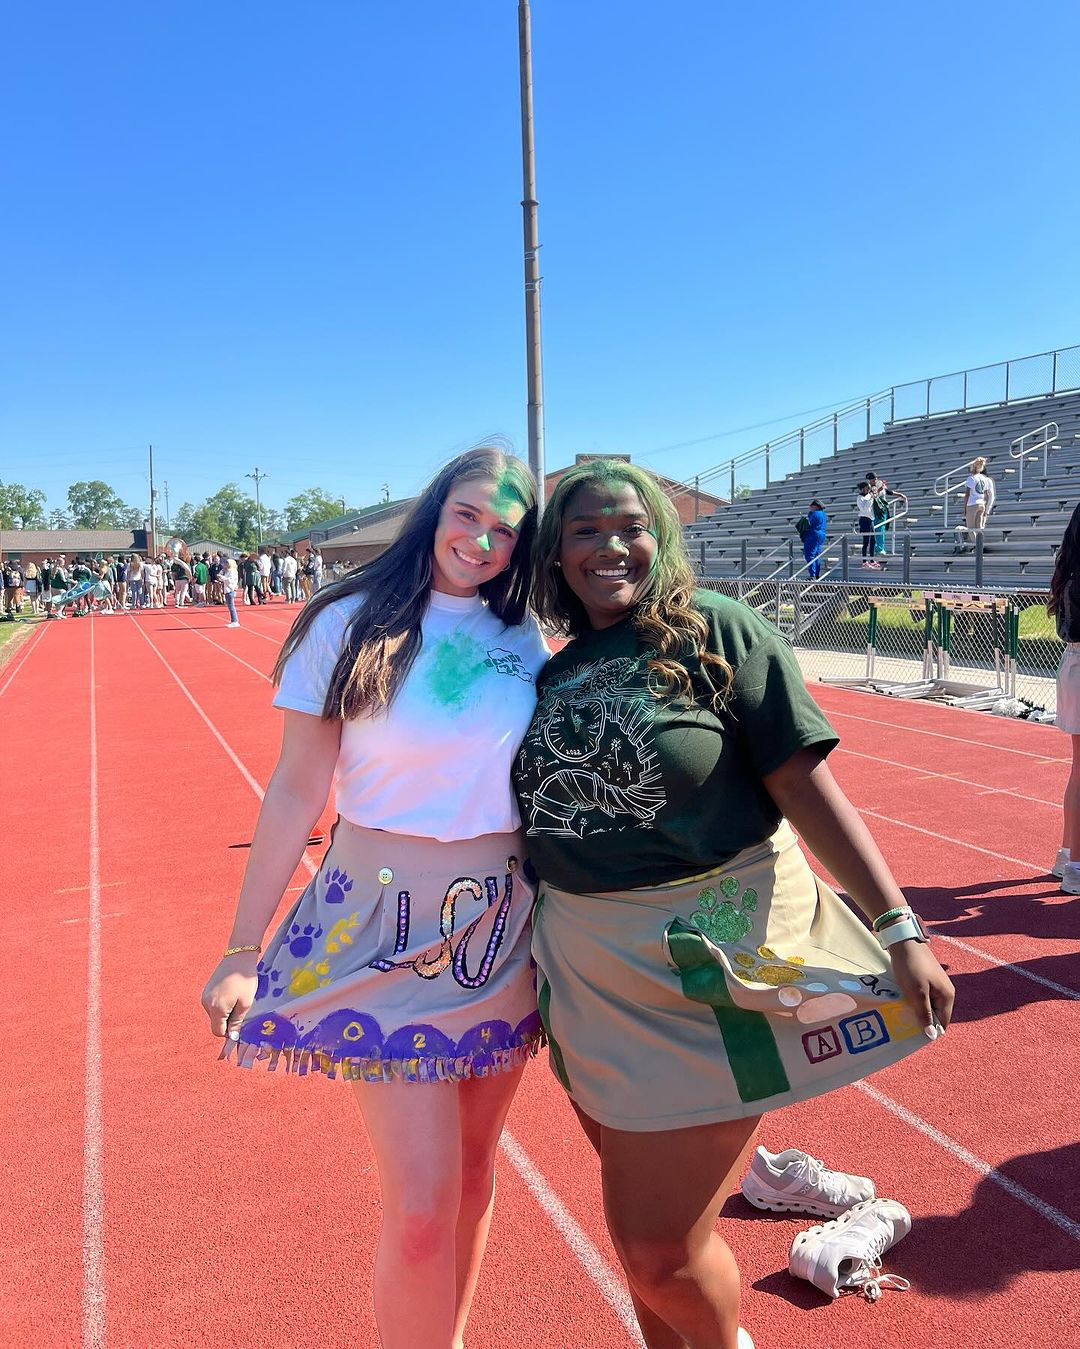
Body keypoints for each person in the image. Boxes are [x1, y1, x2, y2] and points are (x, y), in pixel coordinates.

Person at [512, 459, 955, 1349]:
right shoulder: (551, 675)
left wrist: (898, 923)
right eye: (586, 530)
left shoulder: (717, 629)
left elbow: (803, 783)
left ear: (662, 538)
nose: (610, 546)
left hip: (708, 963)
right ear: (556, 552)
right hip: (591, 979)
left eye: (631, 526)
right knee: (647, 1240)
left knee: (658, 1251)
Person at [201, 447, 547, 1348]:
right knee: (423, 1203)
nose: (482, 540)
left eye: (506, 530)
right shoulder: (344, 620)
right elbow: (294, 790)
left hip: (499, 930)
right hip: (379, 925)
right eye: (468, 514)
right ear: (435, 508)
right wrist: (243, 947)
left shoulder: (523, 636)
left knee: (474, 1171)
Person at [1049, 502, 1080, 894]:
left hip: (1073, 663)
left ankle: (1068, 854)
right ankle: (1074, 865)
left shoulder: (1068, 572)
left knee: (1078, 771)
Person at [954, 457, 996, 553]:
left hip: (972, 504)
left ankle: (978, 546)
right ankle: (980, 544)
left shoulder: (971, 478)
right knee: (979, 528)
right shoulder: (985, 479)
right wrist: (986, 507)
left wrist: (965, 508)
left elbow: (967, 495)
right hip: (981, 504)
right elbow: (986, 494)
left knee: (970, 528)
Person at [801, 498, 827, 580]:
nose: (810, 507)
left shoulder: (814, 514)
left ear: (815, 506)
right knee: (816, 555)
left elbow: (808, 524)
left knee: (810, 554)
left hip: (813, 534)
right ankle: (816, 574)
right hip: (821, 533)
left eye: (811, 506)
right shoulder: (823, 514)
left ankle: (812, 575)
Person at [856, 480, 879, 569]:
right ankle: (864, 561)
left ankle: (872, 560)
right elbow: (864, 509)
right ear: (863, 488)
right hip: (864, 519)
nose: (868, 489)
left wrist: (875, 493)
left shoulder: (869, 495)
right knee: (866, 541)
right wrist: (871, 499)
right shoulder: (860, 498)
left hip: (870, 519)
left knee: (873, 540)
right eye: (867, 487)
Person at [221, 553, 240, 626]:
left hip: (230, 589)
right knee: (230, 606)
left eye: (227, 563)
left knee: (231, 606)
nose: (225, 564)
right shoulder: (228, 571)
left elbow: (230, 580)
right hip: (227, 589)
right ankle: (233, 621)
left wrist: (223, 578)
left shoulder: (232, 571)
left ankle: (235, 621)